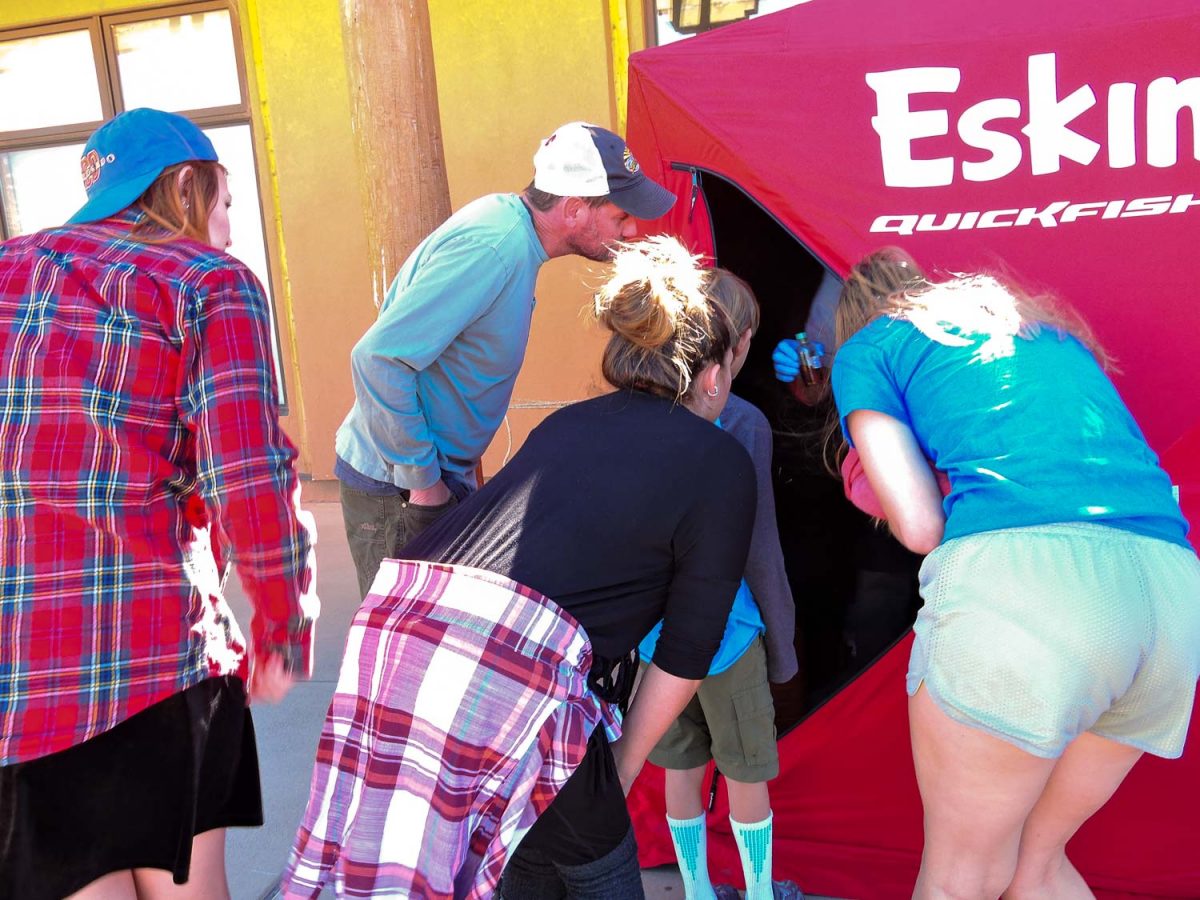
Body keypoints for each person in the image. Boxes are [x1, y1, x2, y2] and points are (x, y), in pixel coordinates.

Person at [281, 236, 756, 899]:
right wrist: (616, 768)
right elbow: (689, 644)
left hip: (402, 631)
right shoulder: (719, 461)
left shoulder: (570, 424)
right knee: (596, 868)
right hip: (508, 664)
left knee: (498, 864)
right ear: (712, 377)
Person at [0, 107, 318, 900]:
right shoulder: (208, 281)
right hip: (153, 652)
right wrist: (281, 621)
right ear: (184, 185)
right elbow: (248, 468)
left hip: (17, 678)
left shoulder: (7, 268)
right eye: (224, 200)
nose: (228, 226)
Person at [827, 251, 1200, 899]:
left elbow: (918, 526)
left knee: (959, 880)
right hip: (1170, 590)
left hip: (1030, 591)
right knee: (1039, 866)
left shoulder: (870, 348)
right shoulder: (1048, 338)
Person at [334, 121, 676, 598]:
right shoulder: (494, 248)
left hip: (432, 476)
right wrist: (425, 486)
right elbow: (377, 359)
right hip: (398, 489)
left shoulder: (511, 231)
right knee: (405, 657)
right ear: (575, 209)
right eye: (621, 217)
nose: (633, 230)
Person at [638, 269, 801, 900]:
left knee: (680, 765)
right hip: (729, 635)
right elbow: (760, 549)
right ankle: (759, 894)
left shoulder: (639, 413)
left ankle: (698, 891)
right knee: (745, 770)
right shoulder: (745, 423)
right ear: (741, 342)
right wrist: (784, 649)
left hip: (657, 637)